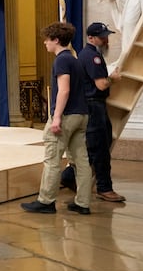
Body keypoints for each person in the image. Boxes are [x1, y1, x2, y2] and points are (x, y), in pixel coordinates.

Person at [21, 22, 91, 215]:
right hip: (82, 115)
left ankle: (46, 201)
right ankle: (83, 203)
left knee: (52, 159)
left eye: (47, 39)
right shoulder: (75, 60)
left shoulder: (61, 60)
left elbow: (64, 90)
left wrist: (57, 117)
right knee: (81, 161)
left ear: (56, 40)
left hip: (67, 115)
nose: (45, 43)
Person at [60, 22, 125, 202]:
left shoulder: (90, 54)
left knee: (91, 148)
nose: (106, 40)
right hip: (93, 105)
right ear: (90, 38)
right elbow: (101, 84)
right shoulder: (92, 57)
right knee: (100, 149)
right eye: (102, 36)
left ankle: (68, 177)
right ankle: (105, 188)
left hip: (93, 105)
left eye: (106, 36)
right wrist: (113, 79)